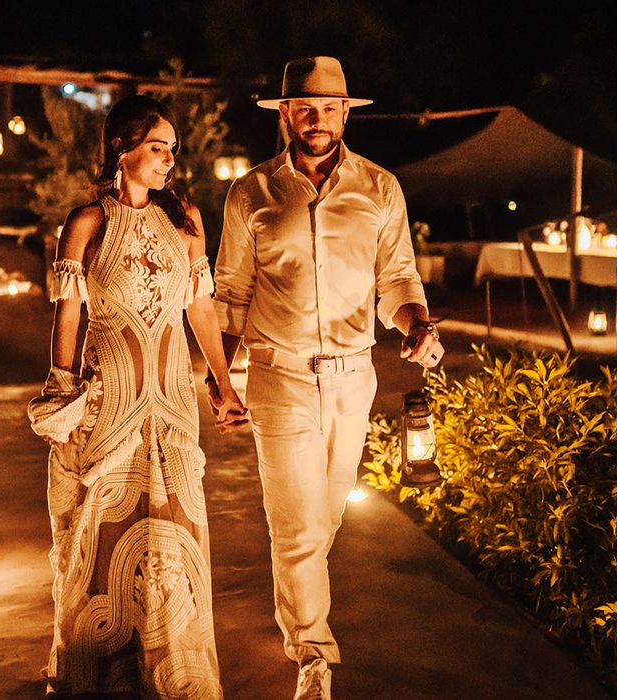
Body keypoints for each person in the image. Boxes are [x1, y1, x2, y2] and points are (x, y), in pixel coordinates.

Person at [207, 56, 444, 700]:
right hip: (278, 378)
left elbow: (397, 276)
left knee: (327, 511)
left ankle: (300, 607)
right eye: (304, 108)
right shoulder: (250, 193)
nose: (317, 119)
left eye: (329, 108)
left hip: (353, 379)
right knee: (298, 524)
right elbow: (230, 292)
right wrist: (221, 379)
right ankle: (313, 651)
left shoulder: (380, 188)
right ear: (285, 113)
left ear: (346, 112)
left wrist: (415, 326)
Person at [28, 94, 246, 699]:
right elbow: (67, 311)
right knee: (103, 532)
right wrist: (62, 390)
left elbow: (200, 307)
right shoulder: (87, 222)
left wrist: (223, 384)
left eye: (173, 149)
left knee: (174, 529)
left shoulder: (186, 220)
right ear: (121, 148)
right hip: (111, 400)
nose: (170, 160)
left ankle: (177, 676)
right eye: (157, 147)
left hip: (172, 400)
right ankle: (104, 675)